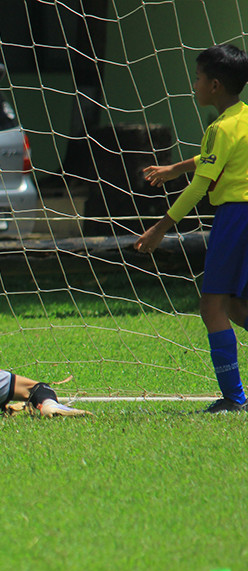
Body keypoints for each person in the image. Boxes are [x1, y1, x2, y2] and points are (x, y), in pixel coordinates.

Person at [135, 44, 248, 413]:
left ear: (215, 85)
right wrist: (176, 168)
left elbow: (201, 185)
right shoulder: (242, 118)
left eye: (198, 78)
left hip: (235, 218)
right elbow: (216, 157)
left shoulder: (219, 127)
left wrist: (160, 228)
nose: (194, 84)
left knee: (211, 305)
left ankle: (234, 399)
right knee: (235, 304)